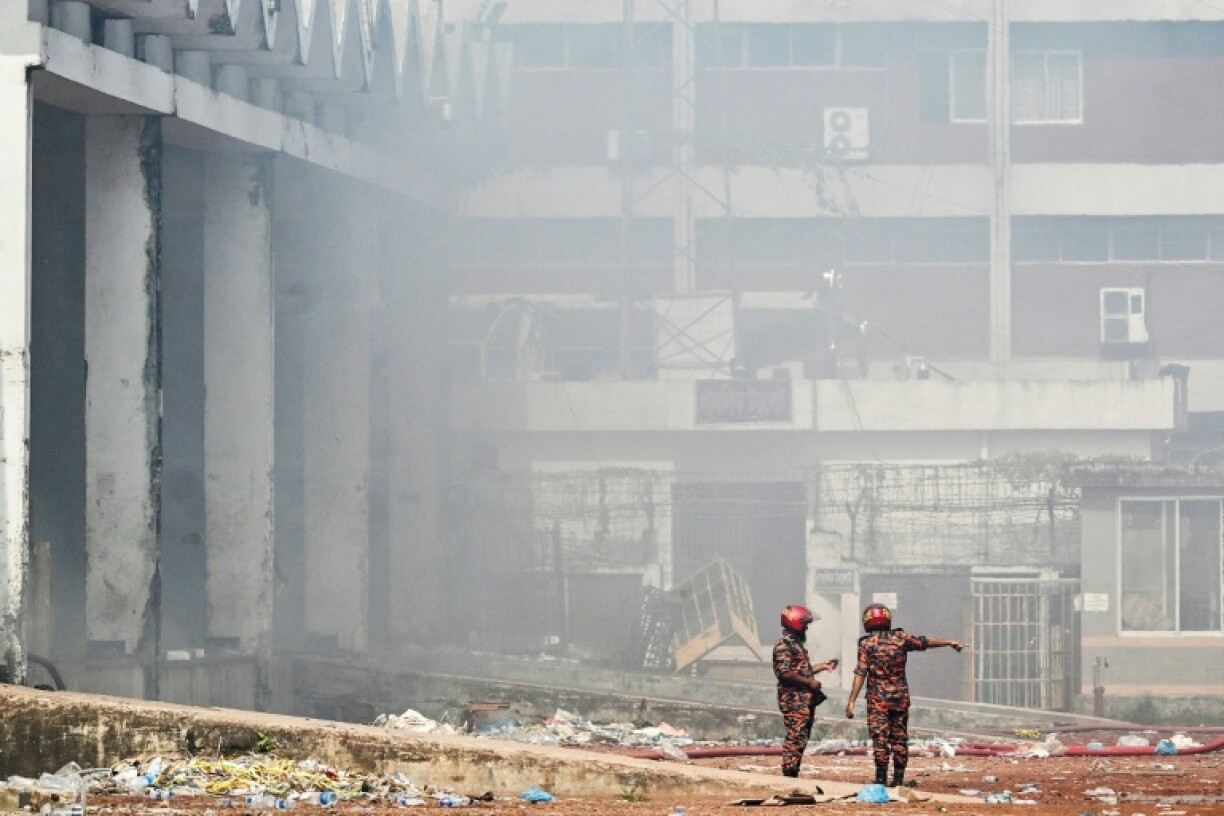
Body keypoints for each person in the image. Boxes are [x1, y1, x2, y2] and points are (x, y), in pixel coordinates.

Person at [844, 603, 963, 788]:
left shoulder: (866, 644)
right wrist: (949, 641)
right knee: (899, 739)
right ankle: (898, 780)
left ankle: (881, 779)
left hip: (878, 701)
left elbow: (860, 673)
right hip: (900, 699)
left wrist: (851, 701)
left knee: (880, 739)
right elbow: (925, 642)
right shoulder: (900, 637)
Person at [772, 604, 838, 778]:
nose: (807, 627)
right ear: (794, 623)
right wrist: (810, 682)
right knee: (795, 737)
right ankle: (789, 775)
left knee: (801, 738)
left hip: (803, 700)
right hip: (794, 700)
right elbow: (784, 673)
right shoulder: (784, 645)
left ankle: (794, 772)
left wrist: (822, 666)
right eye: (804, 623)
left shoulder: (796, 644)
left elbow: (801, 671)